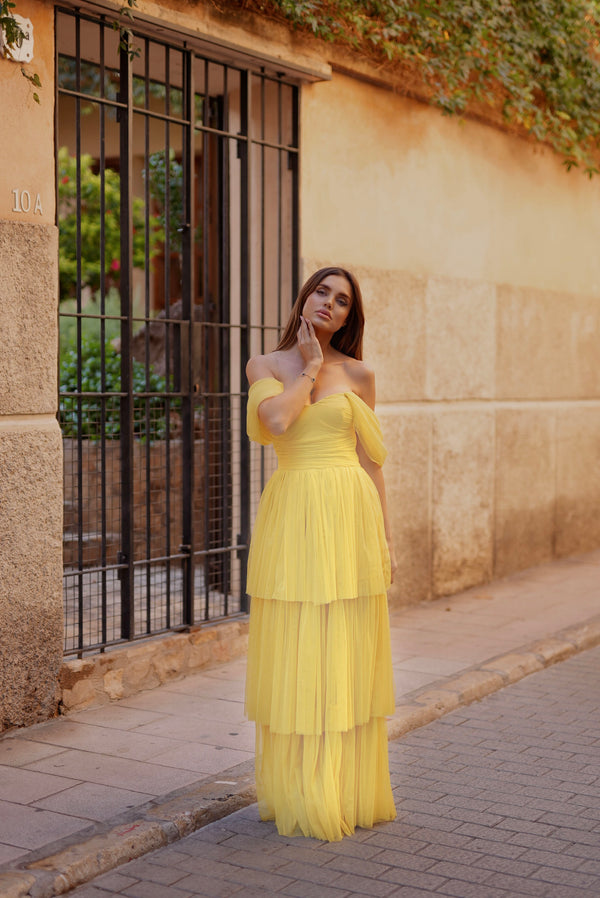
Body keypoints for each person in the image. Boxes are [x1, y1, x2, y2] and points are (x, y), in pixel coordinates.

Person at [244, 266, 397, 841]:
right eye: (321, 292)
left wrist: (385, 539)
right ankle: (303, 788)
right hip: (296, 516)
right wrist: (308, 368)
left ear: (349, 317)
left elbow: (372, 461)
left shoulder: (359, 374)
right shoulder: (266, 366)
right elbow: (278, 420)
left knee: (345, 652)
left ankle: (343, 788)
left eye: (342, 301)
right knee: (301, 647)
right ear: (304, 298)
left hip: (350, 519)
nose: (329, 304)